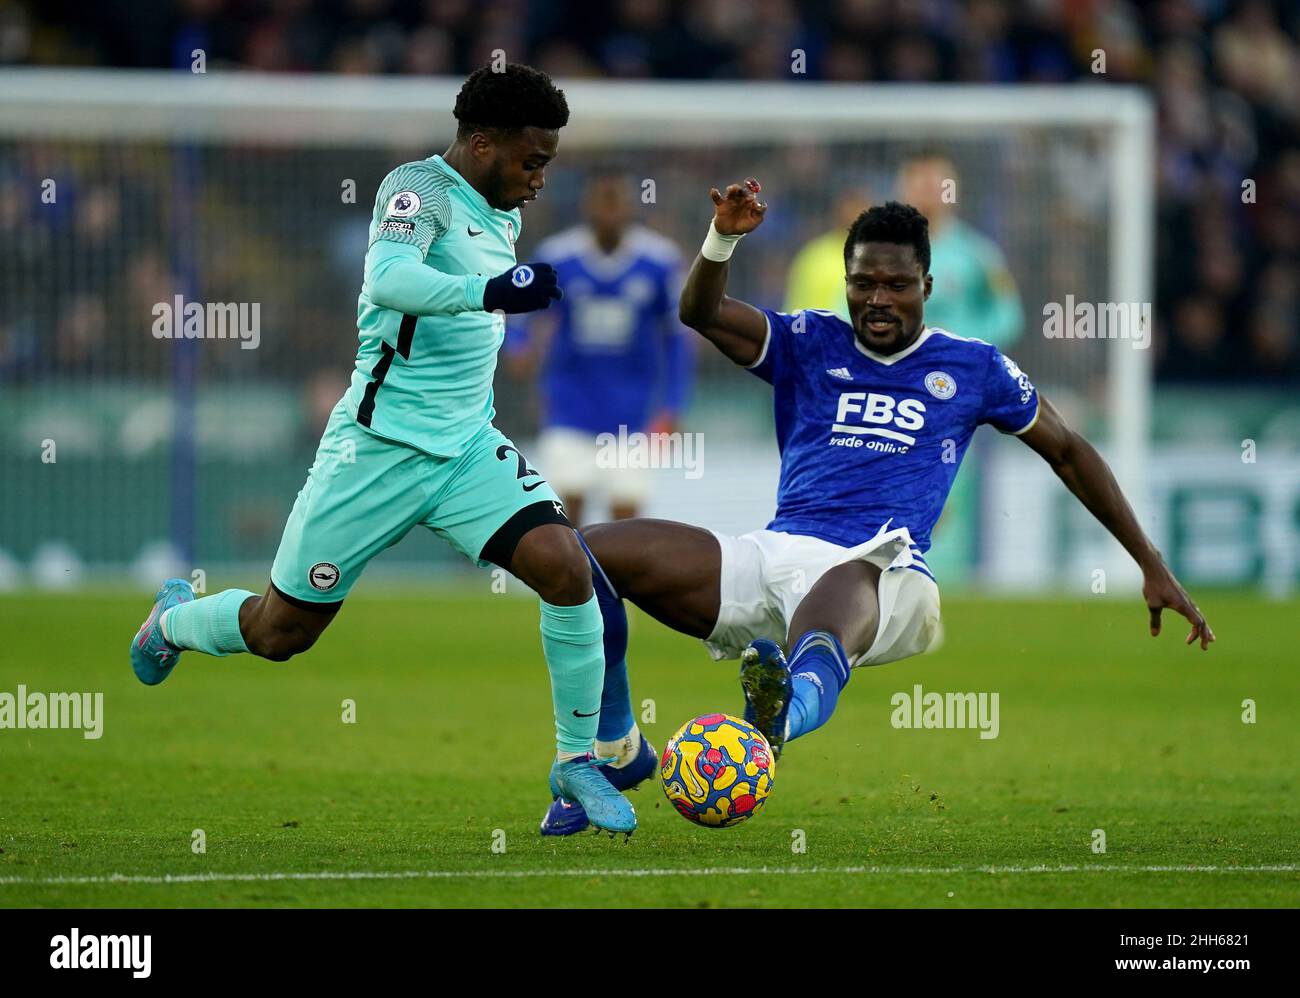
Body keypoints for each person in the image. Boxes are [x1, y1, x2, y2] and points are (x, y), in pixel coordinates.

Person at [541, 178, 1214, 833]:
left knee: (851, 577)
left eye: (896, 284)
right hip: (778, 550)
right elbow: (700, 314)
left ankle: (780, 716)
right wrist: (721, 239)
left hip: (888, 571)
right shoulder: (809, 340)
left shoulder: (973, 366)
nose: (878, 299)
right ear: (847, 284)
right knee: (586, 551)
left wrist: (1150, 564)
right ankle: (619, 747)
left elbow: (1068, 451)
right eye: (863, 284)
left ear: (927, 286)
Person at [128, 64, 638, 836]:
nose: (539, 180)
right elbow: (389, 279)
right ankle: (171, 622)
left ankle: (576, 765)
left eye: (547, 164)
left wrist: (508, 314)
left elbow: (470, 318)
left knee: (568, 571)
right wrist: (491, 293)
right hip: (376, 450)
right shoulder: (418, 190)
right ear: (480, 144)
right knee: (280, 633)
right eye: (531, 161)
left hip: (467, 449)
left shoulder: (501, 209)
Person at [510, 170, 691, 524]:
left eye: (617, 200)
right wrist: (519, 348)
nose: (609, 209)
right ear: (587, 205)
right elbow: (519, 316)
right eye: (602, 200)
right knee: (565, 513)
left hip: (633, 414)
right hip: (568, 408)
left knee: (626, 520)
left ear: (630, 205)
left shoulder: (659, 261)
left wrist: (672, 404)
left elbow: (676, 339)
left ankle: (610, 583)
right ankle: (574, 581)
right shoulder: (558, 257)